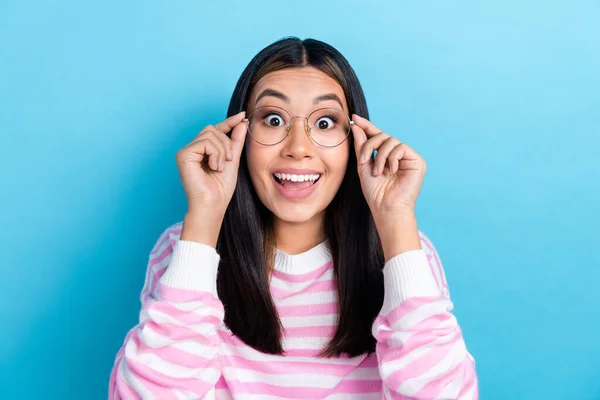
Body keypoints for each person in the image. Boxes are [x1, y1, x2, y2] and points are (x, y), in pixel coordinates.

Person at [109, 36, 478, 399]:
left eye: (324, 123)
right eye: (273, 119)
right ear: (238, 136)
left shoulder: (408, 254)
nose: (298, 148)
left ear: (356, 141)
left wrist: (396, 221)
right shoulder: (184, 248)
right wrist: (204, 217)